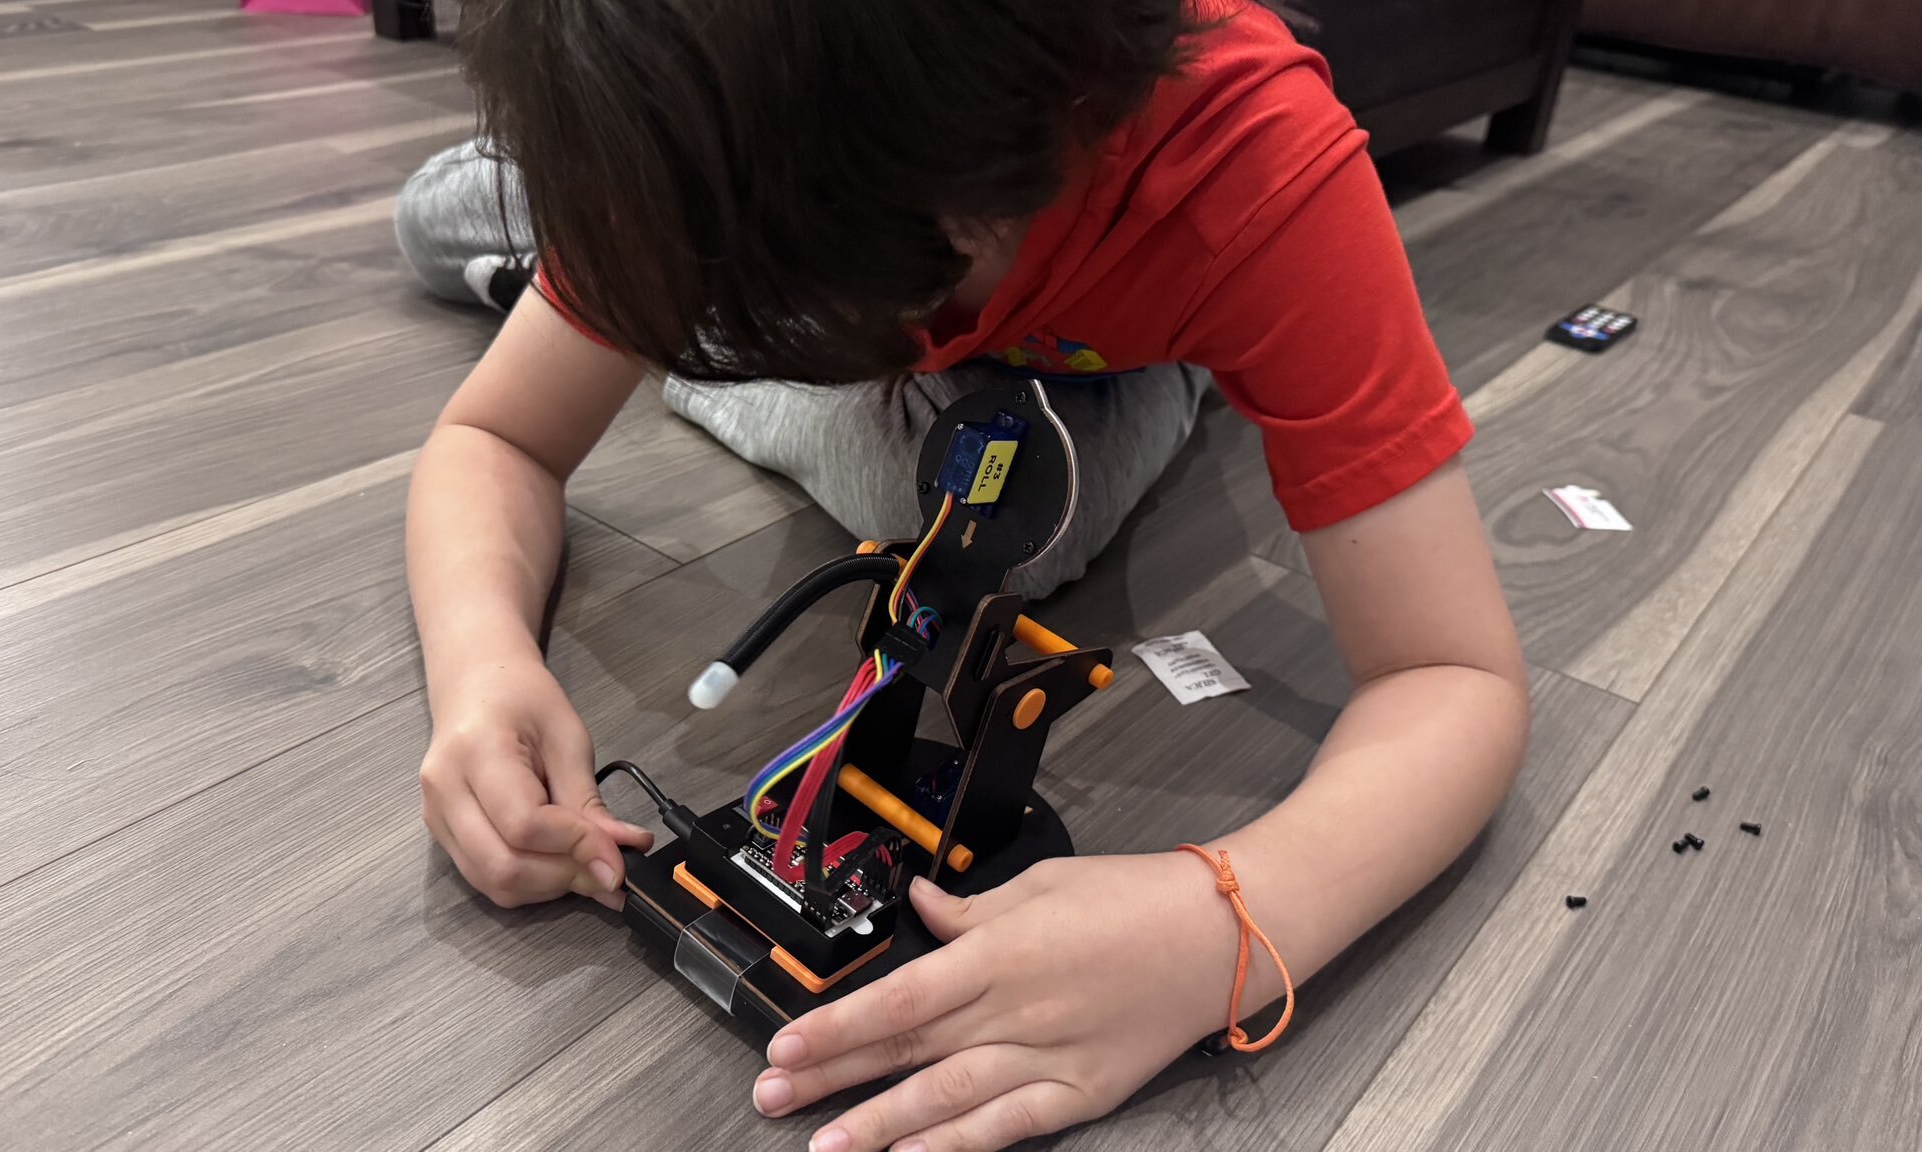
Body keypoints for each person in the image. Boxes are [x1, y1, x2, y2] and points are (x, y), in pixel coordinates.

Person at [399, 2, 1529, 1149]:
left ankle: (662, 343)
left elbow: (1452, 672)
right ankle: (594, 284)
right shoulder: (681, 136)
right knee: (425, 218)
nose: (902, 327)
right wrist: (480, 667)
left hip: (1105, 360)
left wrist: (1220, 922)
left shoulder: (1249, 166)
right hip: (726, 175)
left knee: (990, 513)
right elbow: (495, 442)